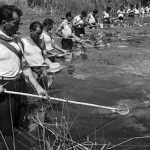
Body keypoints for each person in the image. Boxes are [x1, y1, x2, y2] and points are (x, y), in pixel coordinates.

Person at [0, 4, 46, 148]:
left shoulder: (18, 41)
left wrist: (38, 88)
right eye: (15, 23)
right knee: (5, 129)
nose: (18, 27)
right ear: (3, 23)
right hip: (4, 89)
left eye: (19, 23)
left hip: (20, 86)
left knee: (21, 122)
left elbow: (25, 67)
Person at [22, 21, 62, 89]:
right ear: (31, 31)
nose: (39, 35)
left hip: (43, 71)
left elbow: (45, 58)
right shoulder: (23, 42)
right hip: (31, 72)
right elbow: (22, 61)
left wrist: (52, 65)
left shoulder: (41, 42)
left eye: (40, 33)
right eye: (37, 33)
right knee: (34, 93)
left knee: (46, 90)